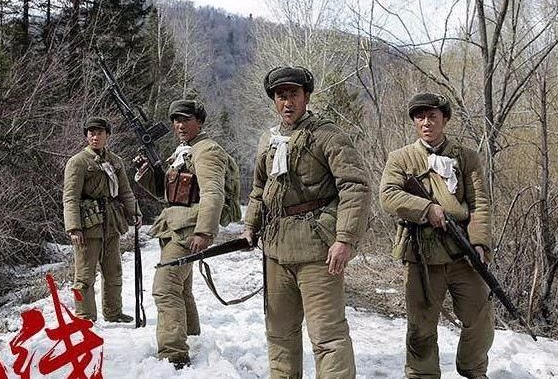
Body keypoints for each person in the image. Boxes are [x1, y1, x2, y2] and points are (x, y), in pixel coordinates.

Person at [240, 66, 371, 378]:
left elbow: (355, 186)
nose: (287, 102)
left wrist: (344, 239)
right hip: (276, 248)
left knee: (328, 336)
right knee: (280, 334)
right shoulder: (268, 140)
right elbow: (259, 188)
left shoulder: (327, 135)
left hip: (317, 249)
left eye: (293, 95)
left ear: (306, 97)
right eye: (280, 96)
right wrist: (250, 226)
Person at [379, 93, 494, 379]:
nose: (426, 122)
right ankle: (422, 374)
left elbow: (479, 203)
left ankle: (473, 369)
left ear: (445, 119)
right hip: (421, 252)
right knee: (421, 325)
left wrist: (480, 243)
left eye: (432, 116)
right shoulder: (401, 158)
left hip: (462, 252)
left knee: (480, 315)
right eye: (420, 117)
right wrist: (426, 208)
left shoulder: (466, 157)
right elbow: (388, 195)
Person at [135, 99, 239, 369]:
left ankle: (173, 354)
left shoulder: (206, 151)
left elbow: (213, 193)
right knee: (181, 288)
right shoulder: (184, 152)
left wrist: (204, 232)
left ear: (199, 122)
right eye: (176, 120)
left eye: (186, 119)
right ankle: (192, 337)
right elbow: (169, 194)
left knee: (165, 287)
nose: (180, 125)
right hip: (175, 227)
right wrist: (146, 173)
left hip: (188, 231)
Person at [63, 117, 141, 323]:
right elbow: (70, 197)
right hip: (88, 226)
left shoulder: (115, 161)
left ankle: (113, 312)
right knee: (84, 277)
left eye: (99, 133)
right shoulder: (78, 162)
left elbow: (125, 191)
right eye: (91, 133)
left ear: (107, 135)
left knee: (114, 272)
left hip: (112, 223)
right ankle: (84, 317)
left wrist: (134, 212)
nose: (95, 137)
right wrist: (74, 227)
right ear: (86, 136)